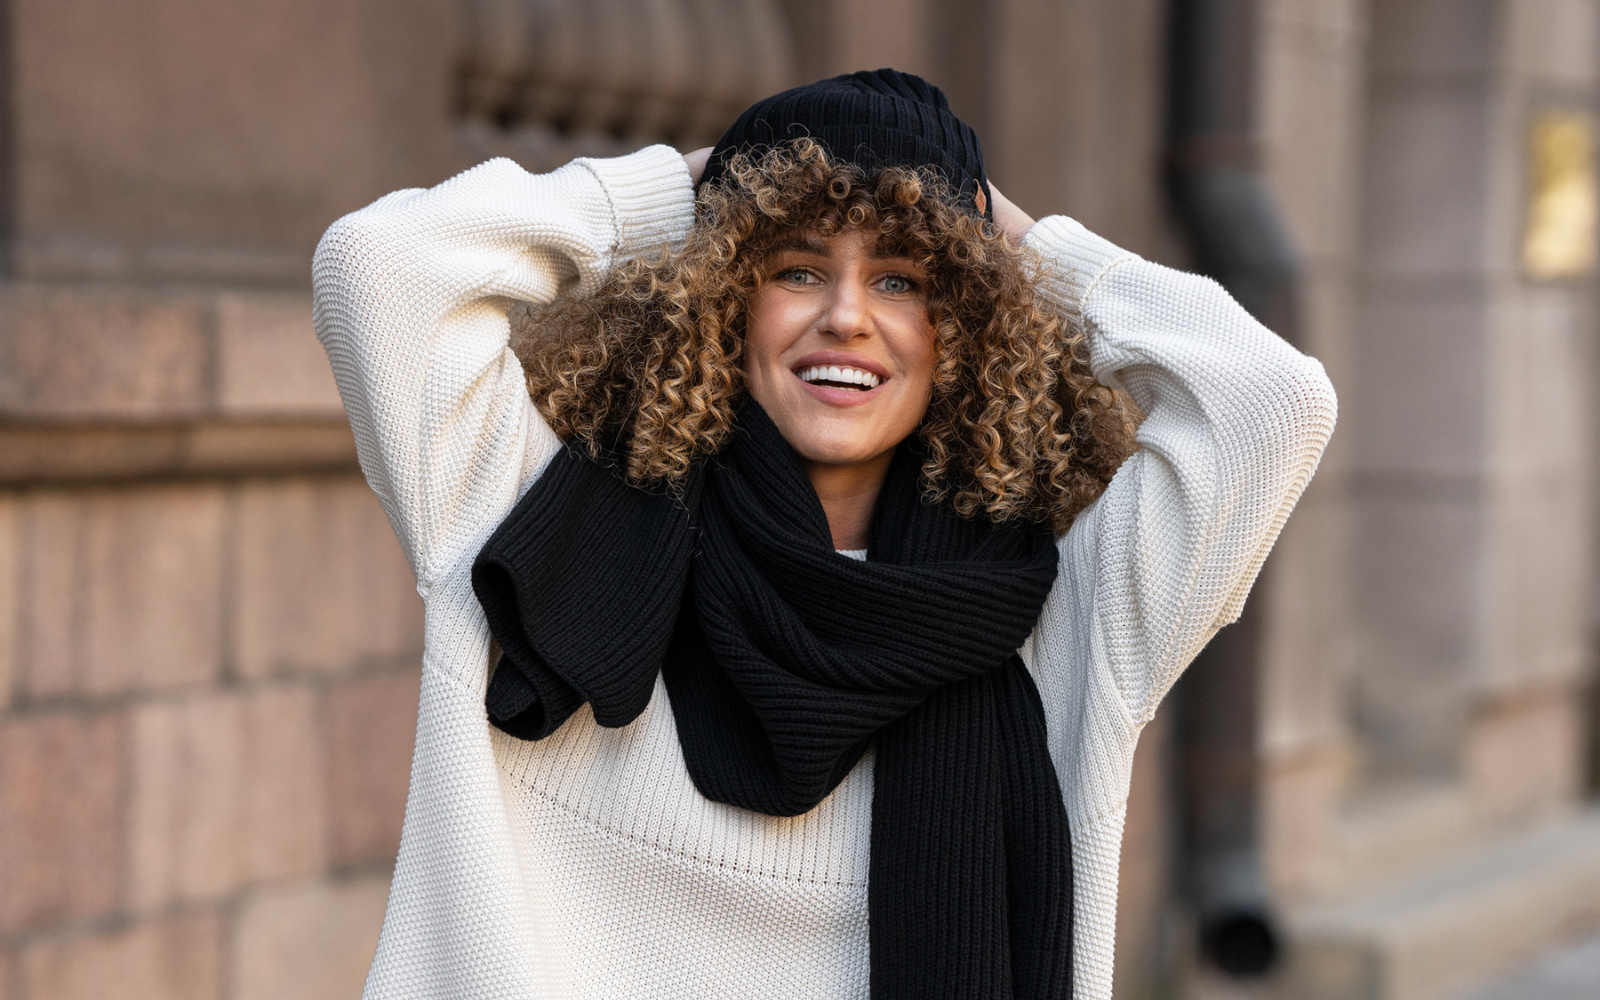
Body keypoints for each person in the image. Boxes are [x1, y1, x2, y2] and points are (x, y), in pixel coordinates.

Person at [312, 70, 1336, 1000]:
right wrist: (688, 189)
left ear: (969, 324)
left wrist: (1020, 246)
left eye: (902, 279)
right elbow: (378, 267)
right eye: (796, 269)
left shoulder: (1064, 620)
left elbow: (1271, 402)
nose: (847, 315)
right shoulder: (538, 527)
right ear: (720, 295)